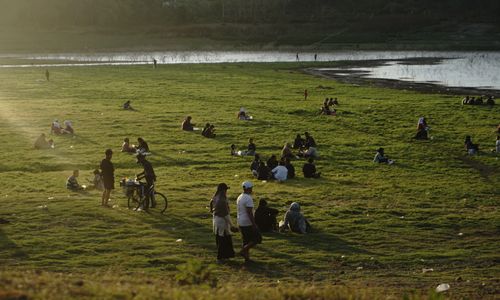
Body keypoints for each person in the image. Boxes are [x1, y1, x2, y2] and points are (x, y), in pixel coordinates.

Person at [209, 183, 236, 262]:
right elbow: (226, 215)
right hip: (222, 222)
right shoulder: (222, 200)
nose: (226, 191)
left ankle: (225, 255)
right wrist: (232, 225)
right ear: (223, 190)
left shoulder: (216, 197)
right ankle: (221, 257)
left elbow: (211, 202)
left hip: (216, 220)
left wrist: (212, 211)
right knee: (223, 240)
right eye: (226, 190)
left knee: (220, 238)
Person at [236, 181, 261, 262]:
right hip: (247, 222)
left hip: (240, 221)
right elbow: (249, 212)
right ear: (249, 188)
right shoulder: (248, 198)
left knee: (246, 240)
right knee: (257, 238)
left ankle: (247, 258)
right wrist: (254, 224)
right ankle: (243, 250)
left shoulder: (240, 197)